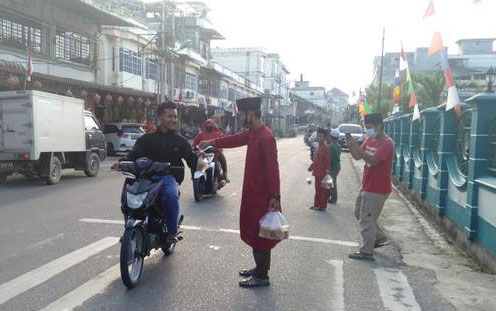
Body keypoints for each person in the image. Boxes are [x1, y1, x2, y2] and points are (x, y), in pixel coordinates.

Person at [198, 97, 282, 288]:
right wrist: (211, 141)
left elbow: (273, 168)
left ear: (251, 114)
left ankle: (262, 276)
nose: (240, 117)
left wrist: (275, 196)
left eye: (242, 114)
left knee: (261, 234)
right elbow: (234, 139)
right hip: (253, 193)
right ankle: (259, 269)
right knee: (255, 231)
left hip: (263, 196)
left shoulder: (266, 137)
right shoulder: (253, 133)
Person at [114, 101, 198, 243]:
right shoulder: (146, 139)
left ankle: (172, 232)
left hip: (167, 177)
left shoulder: (180, 141)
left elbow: (192, 160)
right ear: (160, 117)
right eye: (170, 116)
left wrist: (198, 168)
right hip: (145, 177)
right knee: (128, 193)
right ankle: (128, 228)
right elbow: (133, 155)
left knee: (171, 195)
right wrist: (121, 163)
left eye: (175, 117)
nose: (174, 120)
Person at [346, 113, 394, 261]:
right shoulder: (370, 140)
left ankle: (367, 251)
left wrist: (357, 148)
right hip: (367, 185)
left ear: (379, 126)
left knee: (366, 219)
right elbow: (357, 156)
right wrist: (351, 145)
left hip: (377, 188)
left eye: (369, 127)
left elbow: (373, 161)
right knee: (359, 213)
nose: (367, 130)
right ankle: (379, 238)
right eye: (366, 127)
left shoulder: (387, 143)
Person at [308, 128, 330, 211]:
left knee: (323, 190)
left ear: (324, 138)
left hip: (323, 173)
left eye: (320, 136)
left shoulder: (325, 148)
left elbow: (328, 162)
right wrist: (311, 166)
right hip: (317, 172)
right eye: (318, 135)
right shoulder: (318, 147)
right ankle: (316, 205)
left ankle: (322, 206)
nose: (318, 137)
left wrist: (327, 173)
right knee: (317, 189)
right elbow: (316, 159)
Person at [328, 128, 342, 204]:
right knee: (333, 181)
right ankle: (332, 197)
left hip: (332, 167)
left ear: (331, 137)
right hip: (337, 166)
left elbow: (329, 158)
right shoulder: (338, 146)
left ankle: (333, 198)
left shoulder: (330, 146)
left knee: (332, 183)